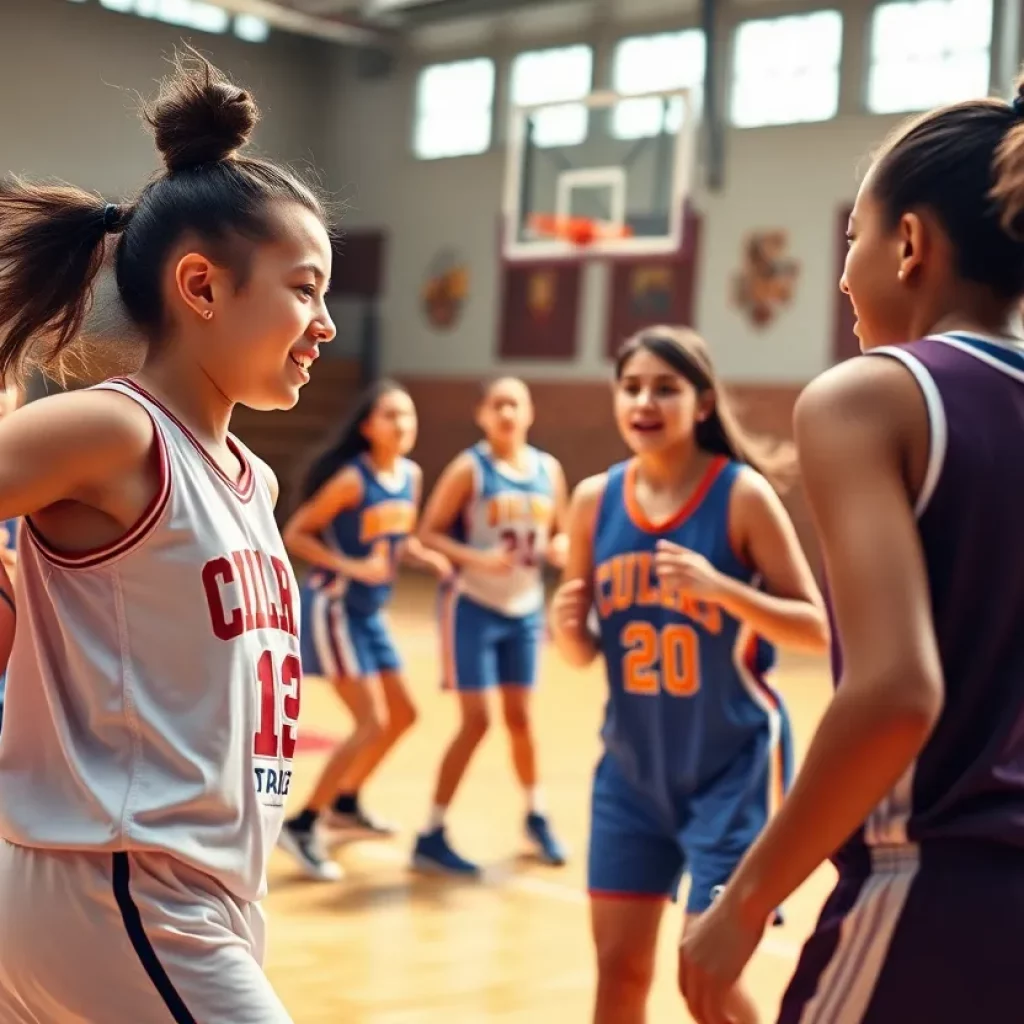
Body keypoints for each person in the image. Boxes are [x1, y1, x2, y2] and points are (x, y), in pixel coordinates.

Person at [0, 50, 335, 1022]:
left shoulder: (248, 479)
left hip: (186, 893)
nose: (322, 324)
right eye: (304, 288)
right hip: (122, 886)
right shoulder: (117, 429)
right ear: (201, 286)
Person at [679, 85, 1024, 1024]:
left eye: (851, 240)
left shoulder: (870, 396)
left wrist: (747, 898)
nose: (841, 277)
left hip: (942, 891)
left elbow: (897, 694)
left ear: (909, 244)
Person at [549, 328, 829, 1024]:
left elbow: (816, 628)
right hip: (631, 773)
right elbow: (583, 654)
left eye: (665, 388)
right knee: (618, 973)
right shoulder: (592, 501)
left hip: (731, 771)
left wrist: (722, 590)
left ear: (702, 403)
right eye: (632, 386)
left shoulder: (740, 495)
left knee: (702, 982)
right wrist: (565, 629)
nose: (645, 401)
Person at [278, 379, 450, 880]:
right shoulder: (352, 479)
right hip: (332, 607)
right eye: (392, 415)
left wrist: (423, 556)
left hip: (370, 613)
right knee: (371, 721)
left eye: (409, 415)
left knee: (403, 714)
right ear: (368, 427)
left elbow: (396, 537)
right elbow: (298, 534)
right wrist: (351, 567)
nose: (404, 424)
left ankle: (345, 804)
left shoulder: (411, 477)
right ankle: (304, 823)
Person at [413, 377, 569, 874]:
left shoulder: (549, 469)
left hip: (524, 608)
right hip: (473, 605)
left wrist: (562, 551)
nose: (506, 412)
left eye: (515, 403)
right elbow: (428, 532)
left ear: (529, 412)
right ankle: (432, 831)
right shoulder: (470, 469)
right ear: (482, 414)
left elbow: (559, 534)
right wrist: (475, 558)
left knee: (521, 720)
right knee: (477, 721)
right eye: (497, 404)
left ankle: (536, 813)